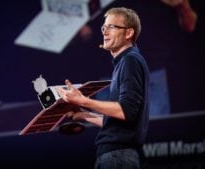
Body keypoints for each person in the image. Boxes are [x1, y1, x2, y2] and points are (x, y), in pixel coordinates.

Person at [57, 7, 149, 169]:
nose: (105, 32)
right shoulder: (125, 62)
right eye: (104, 28)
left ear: (128, 33)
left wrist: (83, 100)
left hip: (118, 157)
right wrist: (84, 115)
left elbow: (126, 111)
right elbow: (119, 124)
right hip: (116, 154)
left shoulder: (130, 60)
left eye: (112, 27)